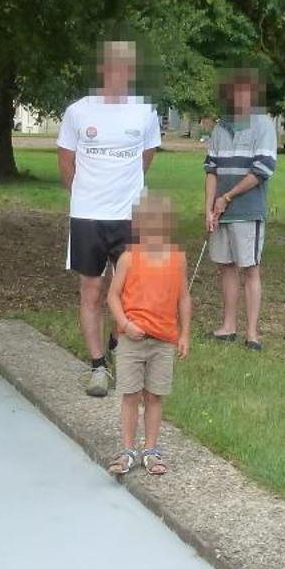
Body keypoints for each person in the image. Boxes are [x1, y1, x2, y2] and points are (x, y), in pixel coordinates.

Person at [58, 40, 162, 396]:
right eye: (113, 66)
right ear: (102, 69)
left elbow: (146, 158)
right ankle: (98, 366)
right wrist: (88, 196)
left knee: (132, 291)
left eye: (126, 66)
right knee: (92, 291)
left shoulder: (145, 113)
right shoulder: (77, 112)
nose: (120, 73)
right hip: (87, 216)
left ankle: (118, 345)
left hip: (129, 217)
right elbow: (66, 165)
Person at [104, 192, 191, 475]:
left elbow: (183, 299)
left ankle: (151, 449)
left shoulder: (177, 259)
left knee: (154, 395)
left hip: (163, 341)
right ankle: (128, 449)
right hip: (132, 340)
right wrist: (125, 325)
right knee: (130, 395)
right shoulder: (129, 258)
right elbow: (113, 296)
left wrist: (184, 333)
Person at [203, 67, 276, 349]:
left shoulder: (263, 125)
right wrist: (209, 207)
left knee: (250, 269)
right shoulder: (220, 128)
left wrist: (227, 197)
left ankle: (253, 334)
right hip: (221, 213)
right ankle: (228, 327)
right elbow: (211, 170)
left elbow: (262, 169)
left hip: (247, 211)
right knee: (225, 267)